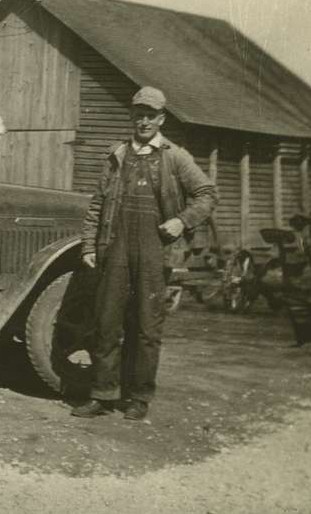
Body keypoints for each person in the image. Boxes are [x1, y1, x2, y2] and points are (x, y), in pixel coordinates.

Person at [73, 86, 217, 421]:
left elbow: (207, 194)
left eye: (150, 115)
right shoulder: (118, 155)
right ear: (132, 116)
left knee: (146, 328)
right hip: (116, 248)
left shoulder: (174, 156)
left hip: (156, 252)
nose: (143, 121)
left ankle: (138, 398)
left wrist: (182, 222)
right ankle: (103, 395)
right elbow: (97, 205)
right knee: (107, 323)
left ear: (161, 118)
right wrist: (89, 245)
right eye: (138, 114)